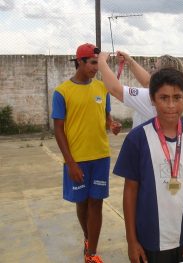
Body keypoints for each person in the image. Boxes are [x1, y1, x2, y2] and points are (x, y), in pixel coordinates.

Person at [114, 68, 183, 263]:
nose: (171, 105)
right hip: (151, 242)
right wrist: (131, 241)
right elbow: (130, 191)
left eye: (177, 97)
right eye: (164, 98)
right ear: (152, 99)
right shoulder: (137, 139)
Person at [51, 43, 121, 263]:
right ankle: (87, 238)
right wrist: (70, 163)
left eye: (97, 64)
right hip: (77, 159)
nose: (95, 68)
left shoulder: (102, 88)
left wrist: (112, 125)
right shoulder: (62, 92)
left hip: (100, 156)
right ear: (79, 62)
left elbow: (106, 116)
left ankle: (91, 253)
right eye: (92, 63)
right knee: (82, 203)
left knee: (96, 202)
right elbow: (58, 130)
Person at [98, 51, 183, 128]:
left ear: (164, 74)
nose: (151, 70)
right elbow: (147, 82)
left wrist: (101, 61)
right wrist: (129, 61)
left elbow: (115, 89)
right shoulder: (168, 92)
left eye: (155, 68)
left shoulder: (149, 97)